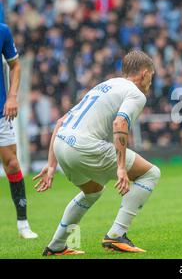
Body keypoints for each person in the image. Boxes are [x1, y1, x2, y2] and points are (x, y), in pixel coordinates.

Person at [34, 50, 161, 255]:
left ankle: (56, 246)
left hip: (61, 143)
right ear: (145, 73)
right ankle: (116, 234)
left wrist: (51, 165)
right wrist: (121, 167)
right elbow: (120, 123)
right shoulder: (136, 94)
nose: (151, 82)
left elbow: (60, 122)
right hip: (84, 147)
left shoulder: (107, 84)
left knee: (92, 191)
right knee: (151, 173)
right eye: (151, 77)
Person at [0, 22, 38, 239]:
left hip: (0, 112)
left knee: (13, 163)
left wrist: (12, 96)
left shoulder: (2, 31)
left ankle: (23, 223)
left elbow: (15, 65)